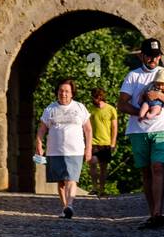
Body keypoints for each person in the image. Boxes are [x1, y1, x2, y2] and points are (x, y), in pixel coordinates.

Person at [119, 38, 164, 229]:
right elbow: (122, 103)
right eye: (149, 55)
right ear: (142, 56)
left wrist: (161, 96)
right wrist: (140, 112)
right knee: (146, 171)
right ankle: (152, 211)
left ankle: (158, 212)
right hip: (139, 130)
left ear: (160, 56)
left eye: (156, 56)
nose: (153, 59)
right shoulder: (133, 76)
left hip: (161, 128)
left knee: (157, 167)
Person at [36, 78, 92, 219]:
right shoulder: (50, 109)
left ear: (72, 93)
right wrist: (38, 143)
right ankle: (65, 207)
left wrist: (89, 148)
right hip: (55, 150)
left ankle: (70, 205)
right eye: (61, 91)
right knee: (60, 182)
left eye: (67, 91)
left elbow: (88, 130)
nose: (64, 94)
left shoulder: (79, 108)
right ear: (57, 92)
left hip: (75, 150)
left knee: (71, 179)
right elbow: (42, 129)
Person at [87, 87, 117, 198]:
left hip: (106, 143)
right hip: (93, 142)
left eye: (96, 97)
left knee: (104, 168)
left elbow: (114, 127)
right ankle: (94, 187)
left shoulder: (111, 109)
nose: (94, 99)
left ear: (101, 97)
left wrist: (113, 144)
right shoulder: (90, 110)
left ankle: (102, 189)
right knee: (93, 162)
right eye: (93, 97)